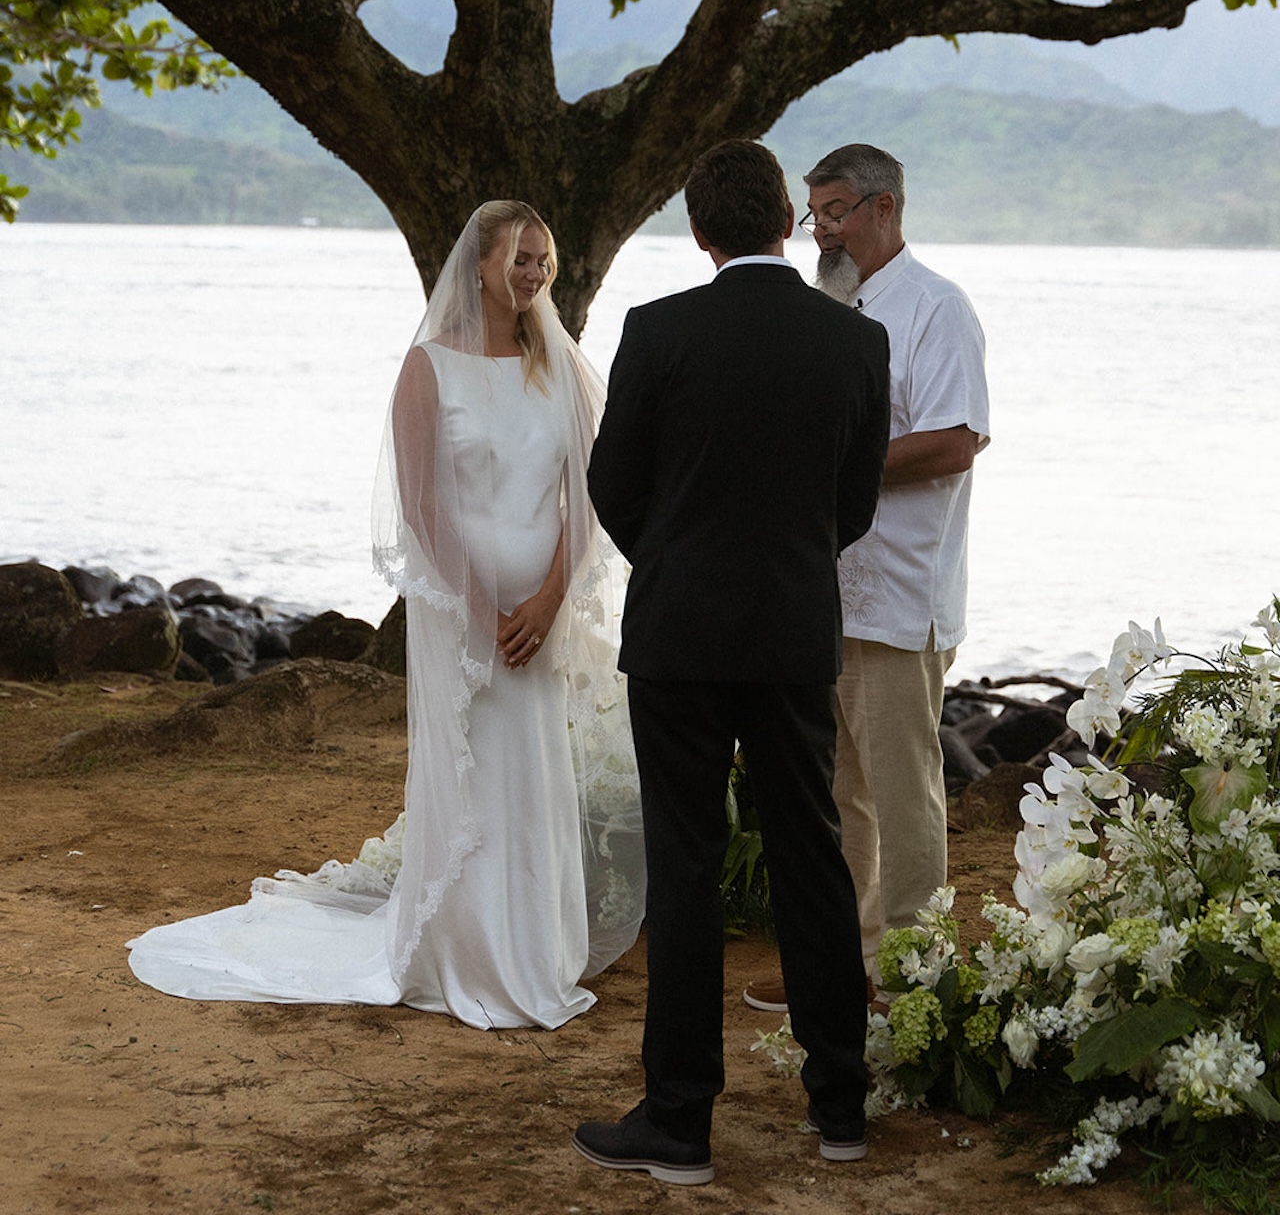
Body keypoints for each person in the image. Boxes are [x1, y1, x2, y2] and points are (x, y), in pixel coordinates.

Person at [128, 201, 645, 1030]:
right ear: (477, 266)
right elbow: (420, 503)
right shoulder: (428, 368)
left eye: (543, 258)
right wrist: (484, 609)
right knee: (475, 770)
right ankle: (465, 951)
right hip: (461, 610)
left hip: (540, 614)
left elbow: (589, 496)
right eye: (519, 256)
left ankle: (537, 949)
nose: (533, 272)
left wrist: (547, 601)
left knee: (534, 767)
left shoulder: (561, 367)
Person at [573, 141, 890, 1186]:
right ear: (786, 226)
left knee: (685, 864)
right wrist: (785, 566)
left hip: (679, 634)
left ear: (699, 234)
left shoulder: (657, 331)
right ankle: (839, 1105)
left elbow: (613, 485)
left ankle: (679, 1124)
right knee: (809, 854)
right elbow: (853, 505)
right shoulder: (853, 341)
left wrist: (674, 560)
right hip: (794, 629)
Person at [743, 144, 989, 1012]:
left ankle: (917, 976)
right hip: (824, 586)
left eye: (839, 209)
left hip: (899, 595)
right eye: (815, 213)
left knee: (901, 789)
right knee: (838, 791)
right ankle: (842, 962)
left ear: (887, 208)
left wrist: (838, 465)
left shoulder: (936, 310)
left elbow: (958, 441)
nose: (824, 230)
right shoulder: (829, 308)